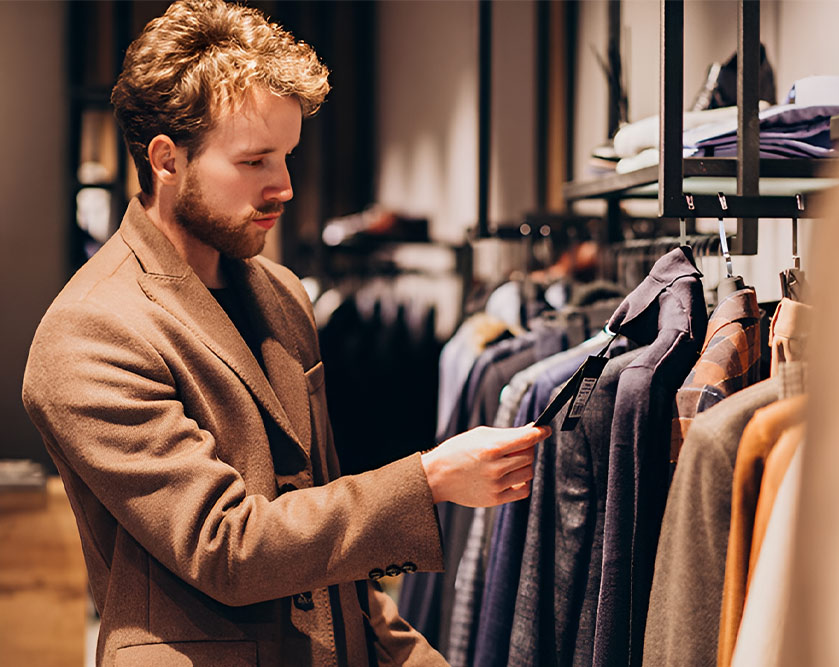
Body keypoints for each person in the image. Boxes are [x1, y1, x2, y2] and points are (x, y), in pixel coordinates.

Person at [21, 1, 548, 665]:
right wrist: (430, 479)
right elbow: (226, 545)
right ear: (165, 159)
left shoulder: (281, 294)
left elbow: (324, 537)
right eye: (255, 160)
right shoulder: (90, 333)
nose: (285, 186)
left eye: (289, 156)